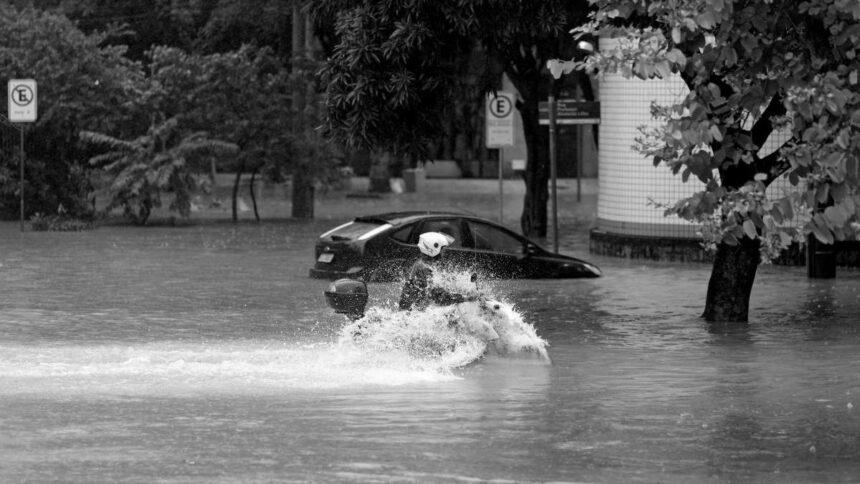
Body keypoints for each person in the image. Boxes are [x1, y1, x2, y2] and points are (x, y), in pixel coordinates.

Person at [398, 231, 470, 311]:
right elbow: (439, 298)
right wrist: (466, 298)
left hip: (416, 312)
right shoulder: (424, 268)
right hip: (414, 316)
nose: (443, 252)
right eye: (442, 249)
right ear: (433, 249)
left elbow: (439, 289)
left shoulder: (426, 264)